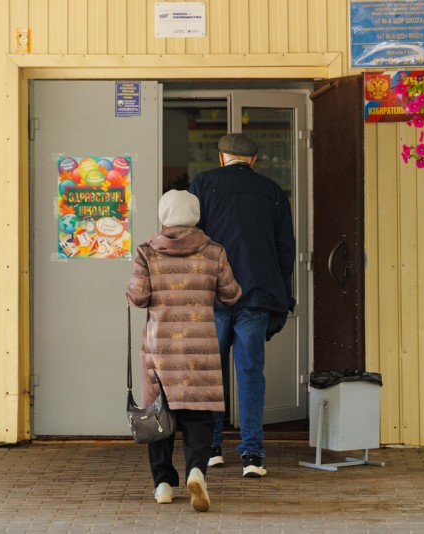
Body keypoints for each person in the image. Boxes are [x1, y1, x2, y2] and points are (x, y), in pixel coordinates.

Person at [126, 189, 242, 511]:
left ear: (164, 216)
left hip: (159, 349)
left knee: (158, 417)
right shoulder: (214, 251)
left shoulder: (147, 251)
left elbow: (138, 298)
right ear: (196, 216)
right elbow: (230, 295)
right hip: (199, 348)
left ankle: (163, 484)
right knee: (199, 417)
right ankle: (196, 471)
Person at [188, 133, 296, 478]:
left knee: (211, 374)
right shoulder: (273, 192)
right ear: (254, 159)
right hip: (256, 294)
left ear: (221, 157)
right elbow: (285, 251)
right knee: (250, 374)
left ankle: (213, 448)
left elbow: (191, 241)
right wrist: (282, 297)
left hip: (213, 295)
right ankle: (253, 455)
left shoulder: (202, 184)